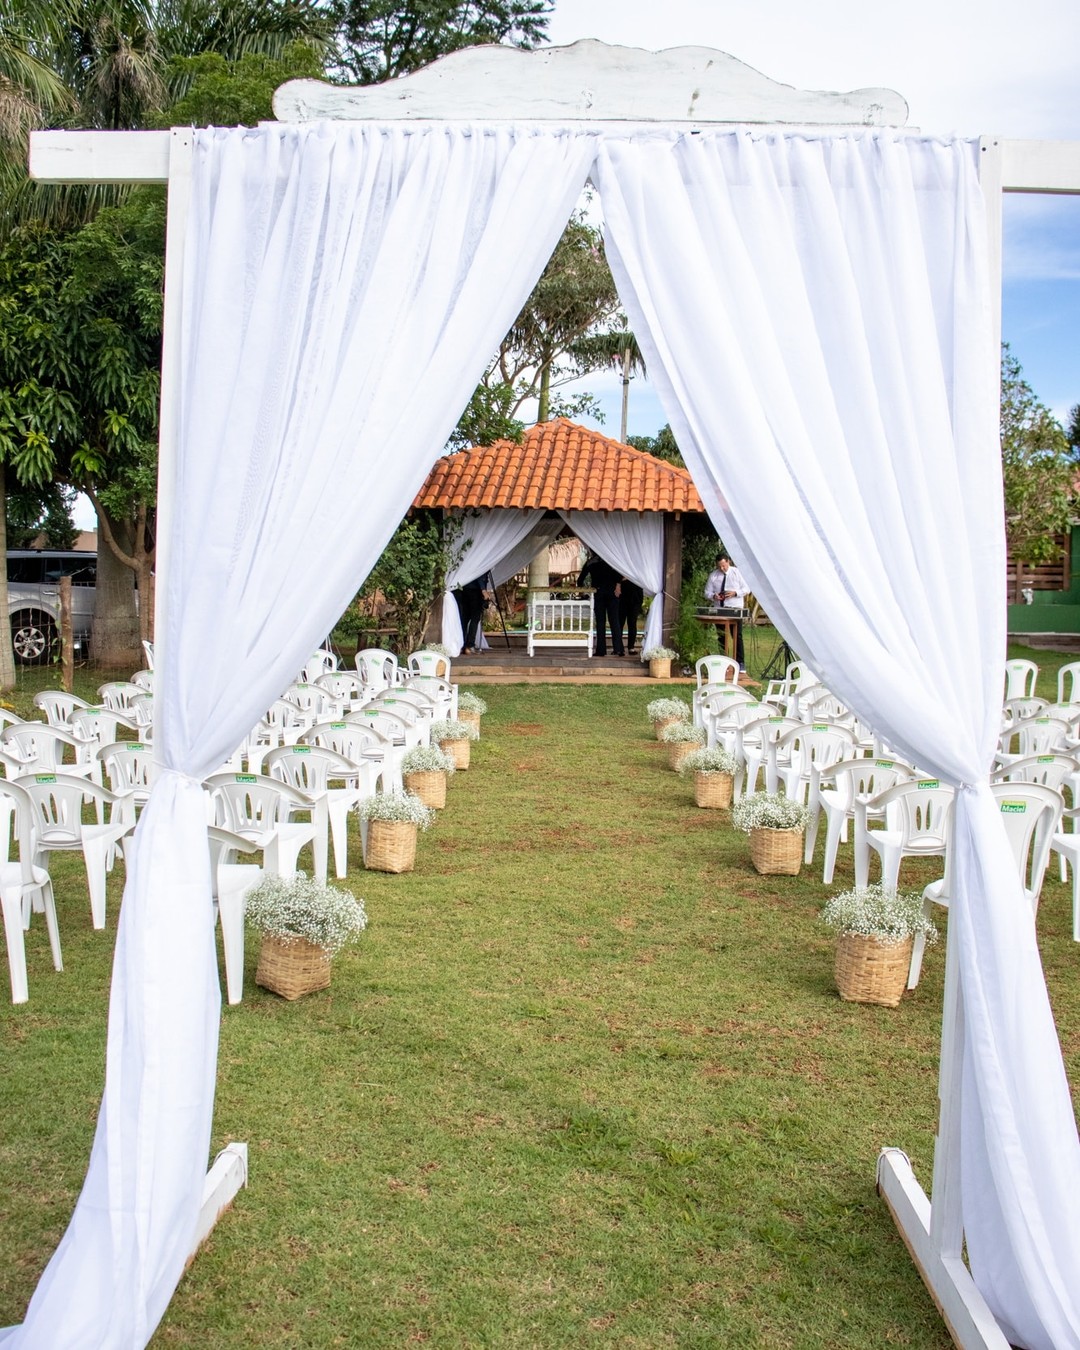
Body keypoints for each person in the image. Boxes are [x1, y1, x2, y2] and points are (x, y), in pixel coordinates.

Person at [703, 553, 748, 668]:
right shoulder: (713, 575)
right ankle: (724, 660)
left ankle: (740, 662)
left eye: (724, 565)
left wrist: (735, 593)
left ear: (728, 562)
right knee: (721, 636)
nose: (722, 568)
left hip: (735, 608)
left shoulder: (737, 573)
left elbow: (747, 588)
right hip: (719, 609)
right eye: (719, 566)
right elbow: (706, 592)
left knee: (737, 635)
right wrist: (714, 596)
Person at [578, 550, 624, 657]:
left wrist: (584, 591)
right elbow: (619, 574)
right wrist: (618, 584)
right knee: (615, 621)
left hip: (598, 593)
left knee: (600, 622)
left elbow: (580, 580)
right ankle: (619, 649)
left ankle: (601, 650)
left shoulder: (591, 562)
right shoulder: (611, 560)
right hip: (612, 593)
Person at [454, 572, 491, 653]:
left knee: (464, 618)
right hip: (476, 590)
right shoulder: (481, 561)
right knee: (475, 618)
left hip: (465, 589)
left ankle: (461, 644)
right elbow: (480, 575)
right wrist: (483, 590)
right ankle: (470, 645)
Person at [618, 577, 644, 656]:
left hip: (635, 597)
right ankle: (619, 648)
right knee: (620, 623)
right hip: (622, 596)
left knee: (632, 623)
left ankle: (631, 647)